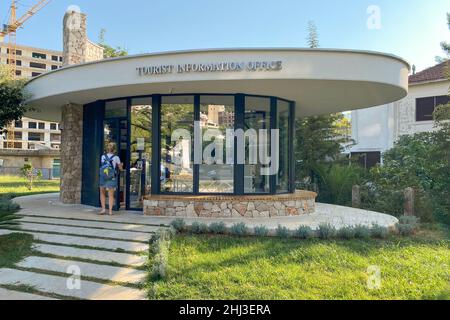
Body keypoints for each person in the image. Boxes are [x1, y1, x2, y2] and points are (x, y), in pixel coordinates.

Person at [99, 143, 123, 216]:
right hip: (111, 177)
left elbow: (103, 166)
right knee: (111, 195)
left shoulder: (103, 156)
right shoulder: (116, 158)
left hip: (103, 177)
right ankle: (110, 211)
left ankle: (103, 209)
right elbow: (120, 169)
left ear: (107, 149)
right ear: (114, 149)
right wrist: (121, 165)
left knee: (102, 193)